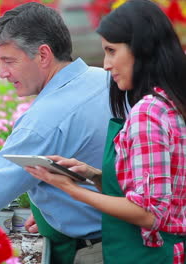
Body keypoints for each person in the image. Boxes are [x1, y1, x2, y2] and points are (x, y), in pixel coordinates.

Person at [0, 2, 112, 263]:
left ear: (43, 55)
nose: (2, 73)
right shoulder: (105, 79)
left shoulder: (45, 120)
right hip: (128, 235)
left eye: (9, 61)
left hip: (96, 249)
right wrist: (52, 210)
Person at [25, 0, 186, 263]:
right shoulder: (170, 101)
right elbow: (153, 187)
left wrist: (70, 189)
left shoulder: (148, 112)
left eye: (112, 51)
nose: (106, 64)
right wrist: (91, 175)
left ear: (141, 49)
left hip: (149, 254)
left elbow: (150, 212)